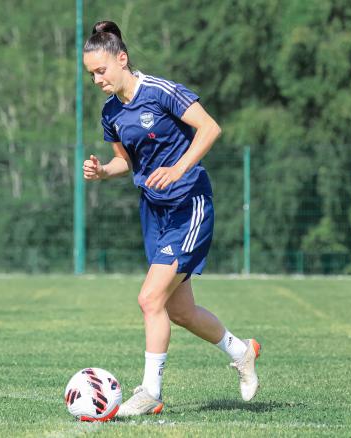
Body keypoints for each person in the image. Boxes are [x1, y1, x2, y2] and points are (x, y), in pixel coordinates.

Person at [82, 21, 261, 416]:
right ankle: (242, 352)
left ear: (121, 59)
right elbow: (123, 163)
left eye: (101, 70)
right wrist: (102, 171)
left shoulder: (161, 92)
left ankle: (151, 392)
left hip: (189, 204)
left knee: (149, 298)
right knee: (178, 311)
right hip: (154, 212)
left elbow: (210, 128)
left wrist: (179, 168)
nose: (96, 79)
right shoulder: (111, 113)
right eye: (91, 73)